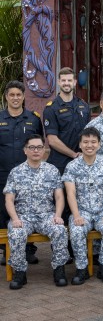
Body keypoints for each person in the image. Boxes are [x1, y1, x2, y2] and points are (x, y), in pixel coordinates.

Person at [4, 135, 70, 289]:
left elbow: (59, 197)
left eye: (39, 147)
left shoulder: (52, 170)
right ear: (25, 151)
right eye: (31, 147)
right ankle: (20, 273)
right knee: (16, 233)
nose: (35, 150)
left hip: (46, 216)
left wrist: (58, 216)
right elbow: (9, 199)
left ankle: (59, 270)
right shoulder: (16, 172)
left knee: (59, 230)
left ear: (43, 150)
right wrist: (14, 219)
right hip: (23, 217)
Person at [62, 128, 103, 285]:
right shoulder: (72, 166)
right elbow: (70, 194)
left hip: (102, 211)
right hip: (82, 212)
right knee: (76, 230)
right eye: (85, 142)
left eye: (93, 142)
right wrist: (77, 215)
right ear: (80, 144)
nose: (89, 145)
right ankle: (82, 269)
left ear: (99, 144)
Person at [0, 80, 43, 266]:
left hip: (28, 174)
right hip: (3, 172)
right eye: (12, 95)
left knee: (29, 208)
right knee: (3, 210)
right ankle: (4, 250)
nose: (15, 98)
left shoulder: (33, 119)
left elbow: (38, 146)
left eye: (19, 95)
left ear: (23, 96)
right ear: (6, 97)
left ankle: (28, 249)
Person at [44, 68, 91, 174]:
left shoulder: (83, 106)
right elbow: (52, 140)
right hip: (60, 164)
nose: (66, 83)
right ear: (59, 82)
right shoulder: (51, 108)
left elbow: (89, 134)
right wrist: (74, 155)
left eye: (69, 80)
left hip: (81, 162)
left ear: (74, 82)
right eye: (63, 80)